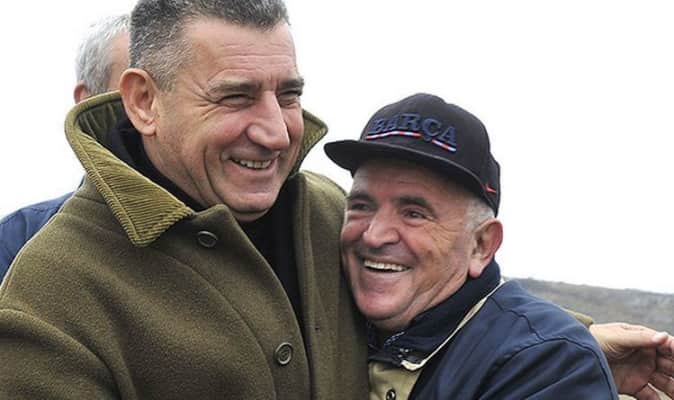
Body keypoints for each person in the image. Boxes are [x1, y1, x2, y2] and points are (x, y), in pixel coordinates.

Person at [0, 1, 671, 398]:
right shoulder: (51, 297)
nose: (275, 131)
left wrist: (567, 340)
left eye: (288, 94)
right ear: (143, 100)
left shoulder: (326, 213)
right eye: (235, 97)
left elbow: (438, 286)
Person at [324, 92, 674, 399]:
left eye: (414, 213)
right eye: (361, 205)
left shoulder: (550, 365)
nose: (374, 235)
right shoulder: (327, 314)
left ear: (482, 245)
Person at [0, 14, 130, 278]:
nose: (152, 112)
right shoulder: (17, 240)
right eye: (137, 90)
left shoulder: (216, 229)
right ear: (87, 101)